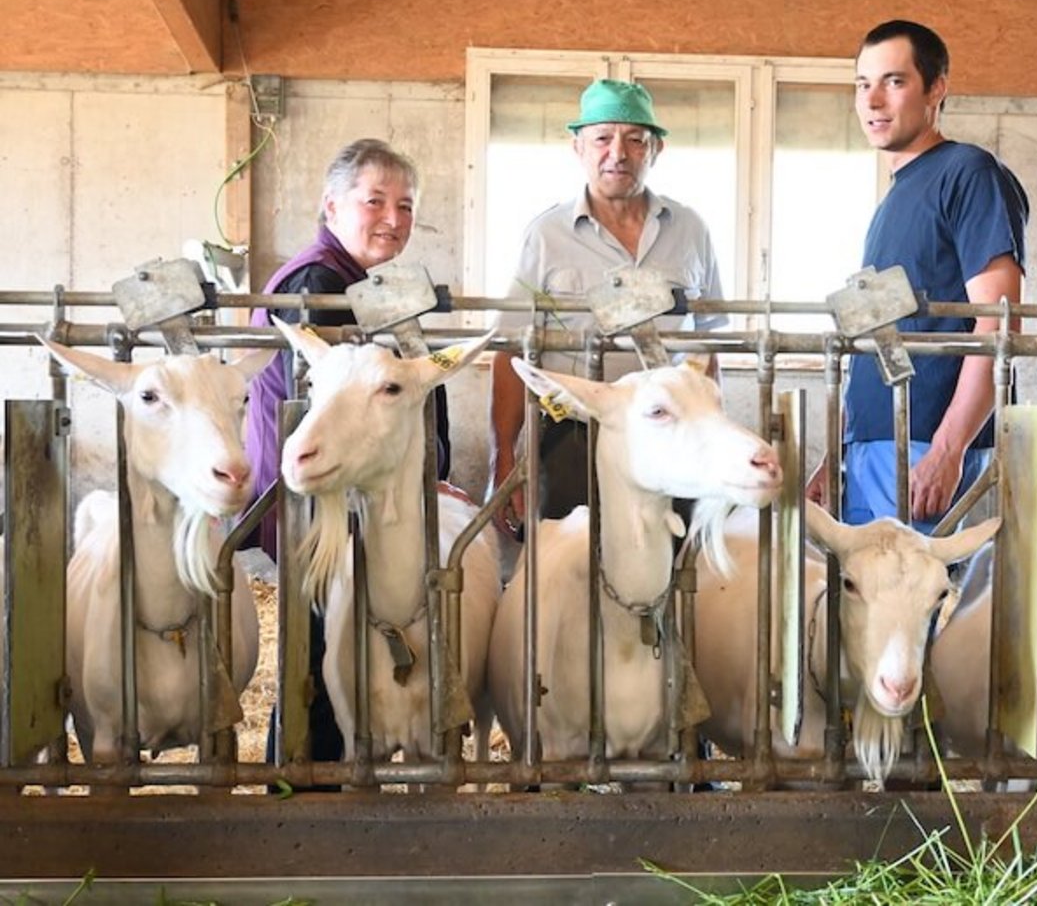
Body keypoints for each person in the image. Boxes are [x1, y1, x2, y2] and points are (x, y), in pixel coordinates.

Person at [244, 137, 449, 771]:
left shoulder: (355, 281)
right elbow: (331, 405)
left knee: (330, 643)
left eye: (406, 205)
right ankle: (305, 791)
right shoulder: (319, 284)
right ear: (331, 206)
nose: (393, 218)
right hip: (315, 500)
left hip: (328, 494)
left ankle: (309, 785)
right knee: (318, 651)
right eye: (375, 201)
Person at [808, 20, 1029, 534]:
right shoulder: (895, 197)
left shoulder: (967, 173)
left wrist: (949, 450)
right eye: (863, 85)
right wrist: (834, 457)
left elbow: (999, 324)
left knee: (915, 607)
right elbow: (877, 334)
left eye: (894, 81)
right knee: (874, 607)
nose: (873, 100)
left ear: (936, 89)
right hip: (874, 447)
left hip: (923, 445)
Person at [488, 79, 727, 537]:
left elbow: (709, 345)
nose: (617, 152)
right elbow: (510, 350)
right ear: (578, 147)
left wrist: (713, 436)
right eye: (602, 138)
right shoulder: (545, 236)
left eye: (635, 139)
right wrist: (504, 460)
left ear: (655, 149)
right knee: (572, 567)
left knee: (670, 567)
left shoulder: (691, 230)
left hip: (672, 437)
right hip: (572, 438)